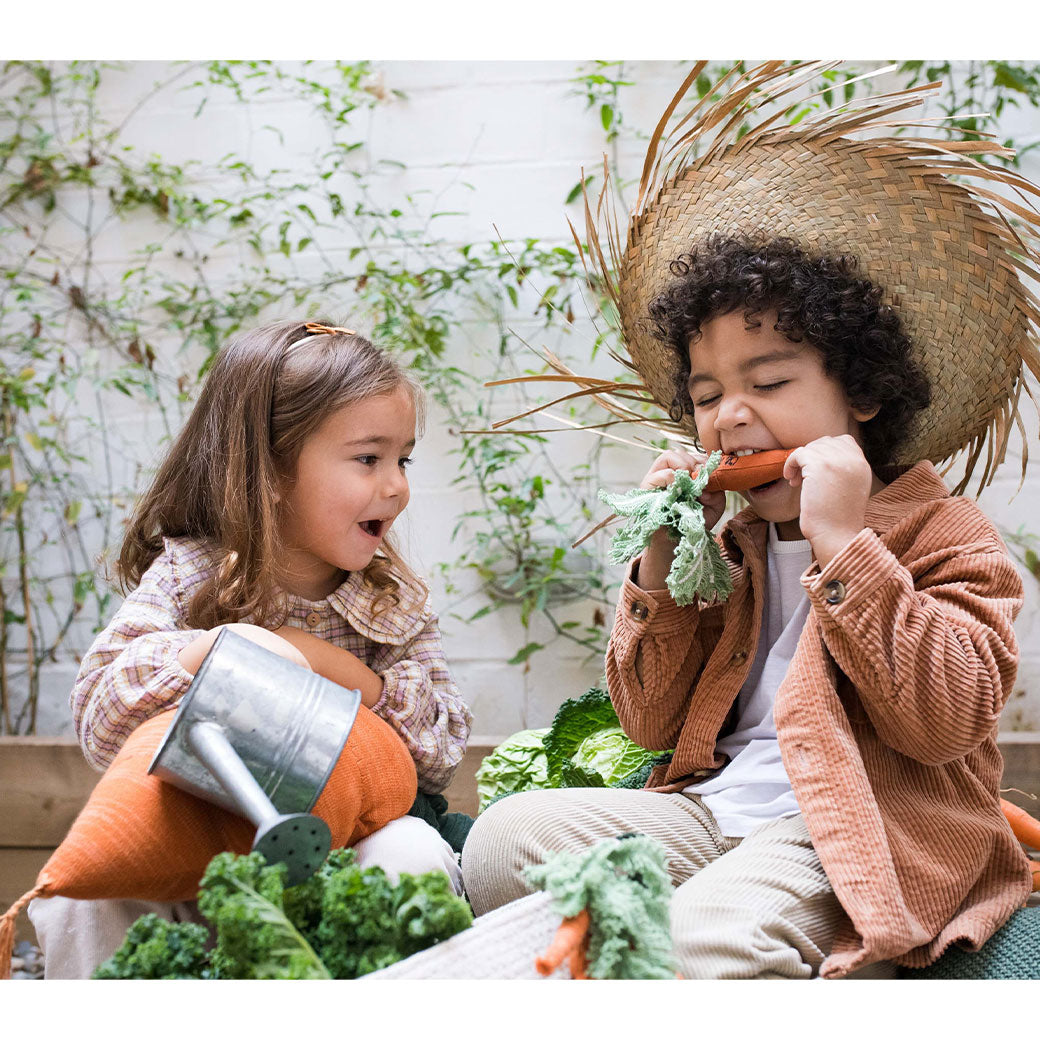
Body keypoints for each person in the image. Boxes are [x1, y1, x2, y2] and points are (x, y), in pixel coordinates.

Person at [461, 63, 1039, 980]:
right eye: (706, 394)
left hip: (849, 830)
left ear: (863, 395)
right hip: (711, 813)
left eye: (768, 383)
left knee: (700, 941)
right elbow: (650, 720)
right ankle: (714, 917)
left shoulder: (946, 533)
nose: (731, 415)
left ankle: (777, 937)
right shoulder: (728, 546)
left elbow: (944, 720)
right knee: (503, 839)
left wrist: (847, 544)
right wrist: (661, 555)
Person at [29, 319, 472, 978]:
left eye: (402, 459)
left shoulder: (390, 601)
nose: (396, 486)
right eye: (368, 458)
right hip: (209, 844)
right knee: (79, 906)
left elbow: (437, 758)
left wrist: (330, 665)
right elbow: (101, 718)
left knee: (415, 854)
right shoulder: (190, 576)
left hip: (349, 843)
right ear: (270, 471)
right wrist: (229, 651)